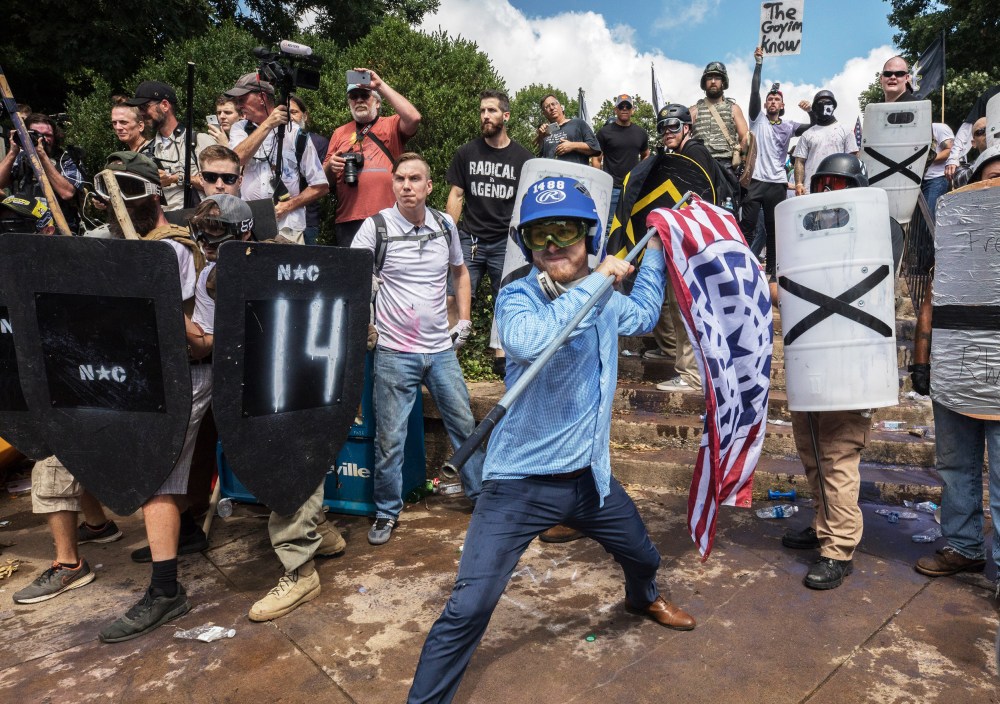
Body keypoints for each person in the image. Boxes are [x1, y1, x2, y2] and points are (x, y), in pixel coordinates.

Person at [407, 175, 694, 704]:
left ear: (590, 236)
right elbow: (531, 340)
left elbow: (644, 312)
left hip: (589, 479)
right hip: (518, 484)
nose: (555, 244)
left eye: (567, 231)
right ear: (528, 244)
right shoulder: (519, 296)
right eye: (541, 235)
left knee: (645, 557)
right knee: (470, 605)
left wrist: (655, 247)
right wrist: (597, 282)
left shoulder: (604, 299)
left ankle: (642, 598)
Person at [91, 151, 212, 643]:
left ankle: (165, 592)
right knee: (172, 468)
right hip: (153, 370)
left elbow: (185, 332)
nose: (116, 207)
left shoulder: (172, 250)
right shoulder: (133, 246)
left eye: (127, 195)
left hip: (186, 369)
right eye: (111, 197)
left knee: (156, 473)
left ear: (153, 198)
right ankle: (187, 533)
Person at [350, 153, 484, 546]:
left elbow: (460, 271)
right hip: (394, 352)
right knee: (389, 439)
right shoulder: (375, 228)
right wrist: (365, 319)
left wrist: (464, 320)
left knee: (465, 426)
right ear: (392, 184)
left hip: (441, 350)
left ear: (429, 186)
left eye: (414, 179)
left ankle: (481, 497)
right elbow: (352, 280)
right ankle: (386, 512)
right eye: (400, 179)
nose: (406, 186)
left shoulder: (445, 225)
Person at [779, 154, 878, 590]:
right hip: (812, 359)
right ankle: (826, 524)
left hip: (851, 364)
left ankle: (838, 548)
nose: (828, 195)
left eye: (838, 186)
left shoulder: (874, 235)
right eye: (824, 186)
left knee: (837, 456)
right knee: (813, 453)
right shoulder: (808, 241)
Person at [912, 145, 1000, 582]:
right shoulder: (957, 231)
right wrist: (922, 361)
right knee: (955, 466)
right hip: (956, 365)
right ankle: (964, 546)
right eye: (991, 177)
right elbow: (933, 297)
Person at [445, 90, 533, 377]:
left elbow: (526, 202)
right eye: (482, 111)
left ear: (505, 116)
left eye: (492, 111)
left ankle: (502, 357)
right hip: (469, 238)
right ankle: (447, 356)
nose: (485, 116)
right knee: (452, 296)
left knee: (507, 298)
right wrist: (449, 235)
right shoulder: (466, 153)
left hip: (506, 241)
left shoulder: (523, 158)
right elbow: (457, 194)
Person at [646, 104, 728, 393]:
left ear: (687, 128)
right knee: (672, 301)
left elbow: (697, 201)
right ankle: (675, 355)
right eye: (663, 127)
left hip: (691, 243)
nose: (667, 131)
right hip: (681, 240)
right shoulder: (680, 154)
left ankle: (692, 375)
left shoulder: (694, 153)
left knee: (684, 305)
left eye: (674, 126)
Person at [225, 73, 329, 245]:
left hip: (288, 227)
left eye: (242, 99)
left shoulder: (295, 133)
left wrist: (288, 206)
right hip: (249, 227)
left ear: (262, 97)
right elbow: (235, 161)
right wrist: (267, 125)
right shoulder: (240, 129)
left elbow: (321, 186)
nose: (238, 105)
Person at [325, 69, 421, 247]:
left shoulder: (391, 125)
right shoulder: (339, 133)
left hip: (389, 218)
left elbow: (414, 118)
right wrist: (331, 166)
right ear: (349, 103)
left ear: (377, 103)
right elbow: (324, 182)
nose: (359, 100)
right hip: (349, 221)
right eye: (354, 96)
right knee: (355, 266)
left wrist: (380, 85)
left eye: (365, 95)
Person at [742, 47, 811, 276]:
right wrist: (758, 64)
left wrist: (811, 111)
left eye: (777, 100)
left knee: (774, 231)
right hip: (755, 181)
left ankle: (772, 272)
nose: (772, 102)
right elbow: (754, 91)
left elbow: (812, 127)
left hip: (777, 184)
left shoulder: (789, 126)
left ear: (782, 106)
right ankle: (742, 268)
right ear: (765, 105)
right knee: (747, 227)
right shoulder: (757, 120)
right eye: (770, 99)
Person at [126, 80, 214, 211]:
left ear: (165, 105)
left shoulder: (199, 141)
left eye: (144, 107)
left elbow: (218, 185)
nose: (142, 114)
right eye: (139, 109)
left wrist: (176, 178)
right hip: (161, 221)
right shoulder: (145, 152)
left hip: (196, 217)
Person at [0, 112, 85, 231]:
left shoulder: (66, 159)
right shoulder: (21, 158)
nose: (42, 139)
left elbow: (67, 193)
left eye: (47, 135)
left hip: (59, 229)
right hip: (24, 227)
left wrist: (42, 156)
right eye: (35, 134)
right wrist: (13, 152)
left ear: (55, 137)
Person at [689, 61, 748, 184]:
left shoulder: (734, 109)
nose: (713, 81)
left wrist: (742, 161)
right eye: (709, 78)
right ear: (704, 83)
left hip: (726, 166)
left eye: (717, 78)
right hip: (699, 164)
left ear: (723, 82)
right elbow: (683, 136)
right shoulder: (694, 110)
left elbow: (745, 137)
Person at [595, 93, 650, 221]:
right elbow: (596, 159)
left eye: (627, 106)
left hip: (632, 188)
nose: (624, 109)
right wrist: (600, 183)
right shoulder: (604, 132)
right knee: (610, 224)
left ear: (633, 110)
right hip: (611, 188)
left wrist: (641, 176)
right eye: (621, 106)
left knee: (632, 224)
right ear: (616, 110)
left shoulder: (641, 133)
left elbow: (646, 155)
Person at [793, 91, 859, 195]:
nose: (824, 105)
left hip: (839, 188)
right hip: (811, 189)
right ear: (815, 108)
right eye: (820, 103)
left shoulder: (845, 130)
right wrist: (799, 184)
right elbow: (800, 161)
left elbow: (853, 159)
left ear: (834, 106)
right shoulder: (807, 134)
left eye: (828, 102)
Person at [289, 94, 330, 246]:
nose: (290, 117)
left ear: (304, 116)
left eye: (294, 112)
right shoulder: (273, 142)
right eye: (286, 113)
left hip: (309, 219)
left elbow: (321, 182)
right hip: (280, 217)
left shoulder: (319, 142)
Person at [944, 85, 1000, 183]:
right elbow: (959, 180)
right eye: (980, 132)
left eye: (989, 129)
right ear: (973, 142)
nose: (986, 133)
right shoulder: (965, 171)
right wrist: (954, 157)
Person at [536, 94, 601, 166]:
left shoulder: (578, 123)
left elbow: (594, 148)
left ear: (561, 107)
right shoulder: (544, 132)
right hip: (550, 172)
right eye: (547, 107)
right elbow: (536, 157)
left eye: (553, 104)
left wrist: (572, 145)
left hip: (574, 172)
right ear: (544, 113)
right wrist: (541, 137)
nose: (551, 108)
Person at [922, 122, 954, 216]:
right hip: (920, 180)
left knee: (929, 217)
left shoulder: (939, 128)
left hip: (937, 178)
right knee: (920, 219)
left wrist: (927, 159)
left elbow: (950, 150)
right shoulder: (913, 131)